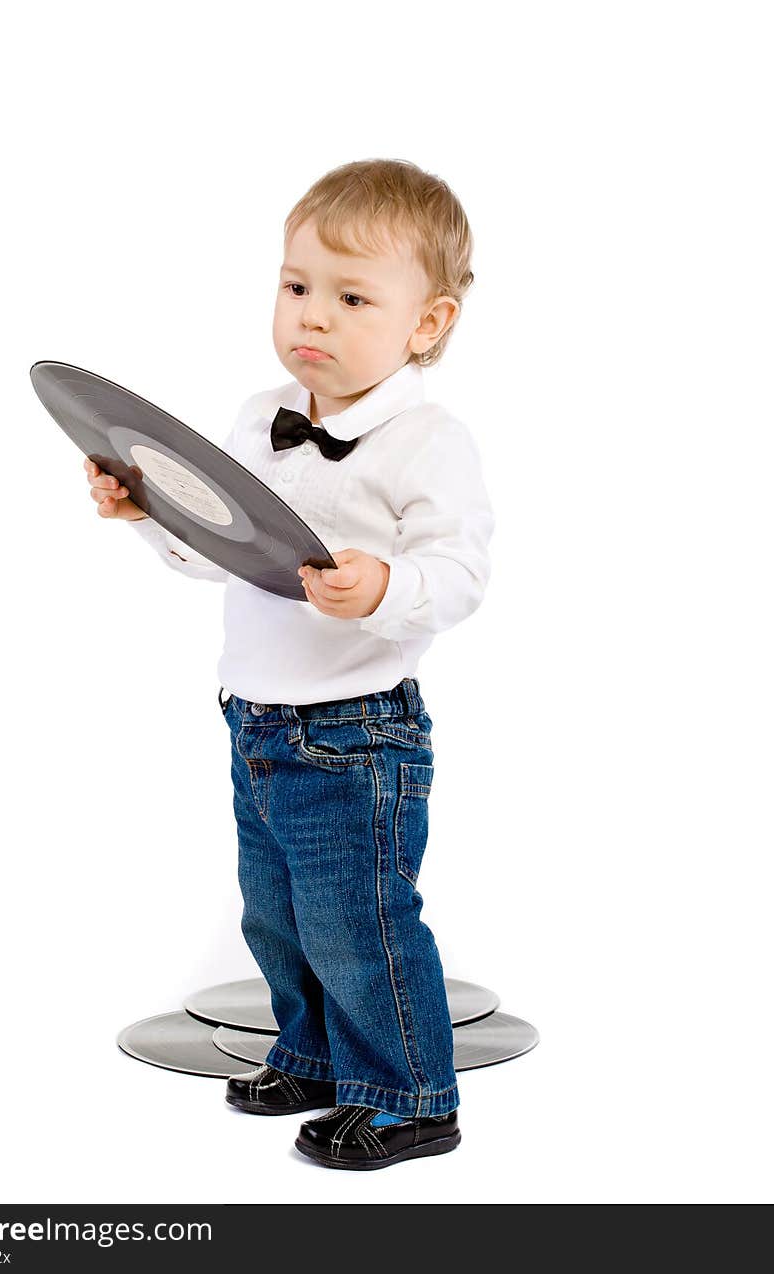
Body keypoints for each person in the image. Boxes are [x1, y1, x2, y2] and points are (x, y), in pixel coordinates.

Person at [85, 158, 494, 1170]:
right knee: (275, 911)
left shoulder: (426, 441)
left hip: (355, 730)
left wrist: (384, 583)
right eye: (296, 284)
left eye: (354, 296)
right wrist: (147, 515)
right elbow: (215, 548)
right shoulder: (256, 415)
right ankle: (313, 1053)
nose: (314, 314)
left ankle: (409, 1095)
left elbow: (459, 572)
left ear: (426, 324)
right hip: (256, 719)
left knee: (357, 917)